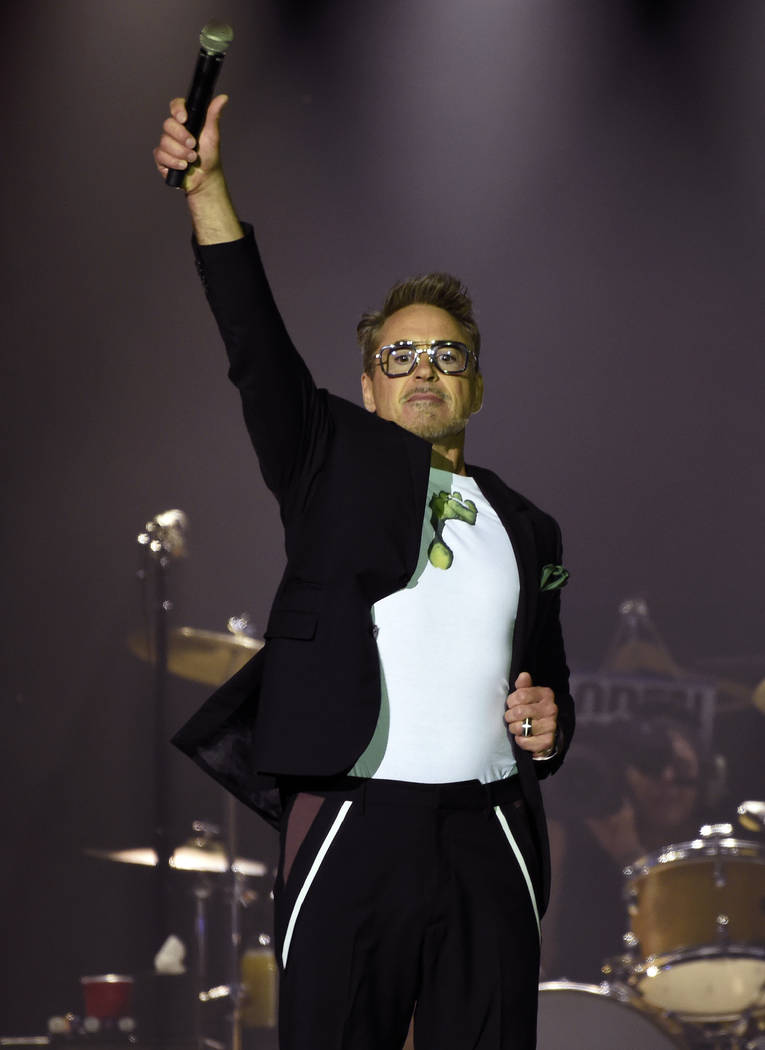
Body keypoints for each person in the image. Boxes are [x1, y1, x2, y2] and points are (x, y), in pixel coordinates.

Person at [153, 92, 575, 1050]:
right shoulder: (325, 463)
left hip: (489, 833)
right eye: (399, 354)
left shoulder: (531, 527)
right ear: (368, 382)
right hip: (355, 822)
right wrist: (207, 190)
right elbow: (255, 346)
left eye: (445, 353)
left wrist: (548, 726)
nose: (422, 369)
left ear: (474, 380)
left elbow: (549, 682)